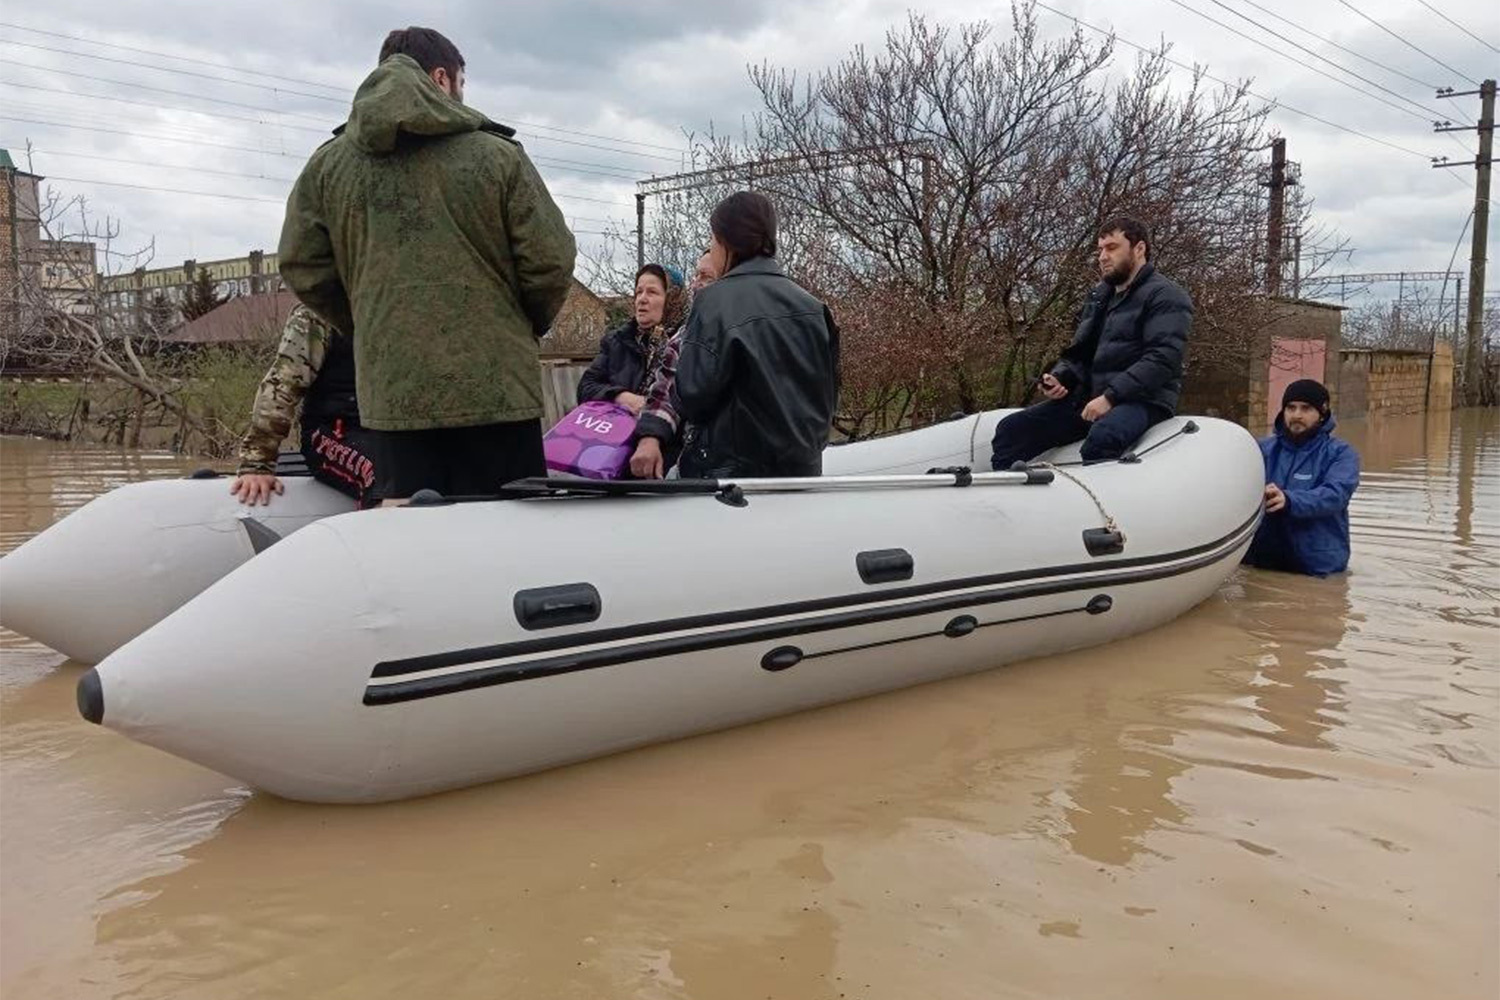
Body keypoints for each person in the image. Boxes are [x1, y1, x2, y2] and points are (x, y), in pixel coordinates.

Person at [278, 26, 576, 501]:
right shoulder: (497, 157)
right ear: (442, 78)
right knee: (511, 547)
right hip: (498, 394)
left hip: (393, 398)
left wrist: (370, 325)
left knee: (416, 549)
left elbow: (302, 265)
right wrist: (521, 326)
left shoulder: (327, 167)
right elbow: (551, 261)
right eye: (461, 83)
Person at [990, 216, 1192, 468]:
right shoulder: (1099, 296)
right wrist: (1061, 377)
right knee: (1011, 430)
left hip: (1144, 401)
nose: (1102, 257)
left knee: (1103, 438)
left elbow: (1162, 358)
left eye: (1112, 248)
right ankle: (1006, 500)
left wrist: (1110, 397)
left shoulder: (1167, 296)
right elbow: (1080, 353)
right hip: (1093, 399)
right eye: (1100, 250)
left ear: (1139, 249)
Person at [674, 191, 839, 478]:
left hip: (728, 483)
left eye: (712, 239)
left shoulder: (714, 302)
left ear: (726, 242)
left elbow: (691, 395)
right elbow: (827, 400)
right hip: (802, 477)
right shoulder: (814, 308)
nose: (711, 249)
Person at [230, 305, 380, 507]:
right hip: (335, 431)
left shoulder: (410, 310)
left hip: (394, 432)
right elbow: (283, 385)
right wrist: (258, 463)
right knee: (387, 476)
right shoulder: (319, 313)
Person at [1244, 379, 1359, 577]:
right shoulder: (1260, 450)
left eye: (1306, 408)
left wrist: (1289, 500)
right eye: (1291, 408)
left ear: (1322, 414)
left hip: (1318, 567)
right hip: (1261, 563)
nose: (1297, 415)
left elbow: (1336, 494)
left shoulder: (1341, 454)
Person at [630, 249, 721, 479]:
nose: (696, 285)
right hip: (669, 448)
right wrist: (650, 435)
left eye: (705, 277)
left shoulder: (740, 328)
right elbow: (668, 387)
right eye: (696, 277)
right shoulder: (685, 334)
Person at [576, 263, 685, 415]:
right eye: (638, 292)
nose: (642, 299)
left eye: (652, 292)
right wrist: (621, 397)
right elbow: (586, 387)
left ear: (672, 299)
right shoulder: (617, 341)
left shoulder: (686, 344)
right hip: (615, 431)